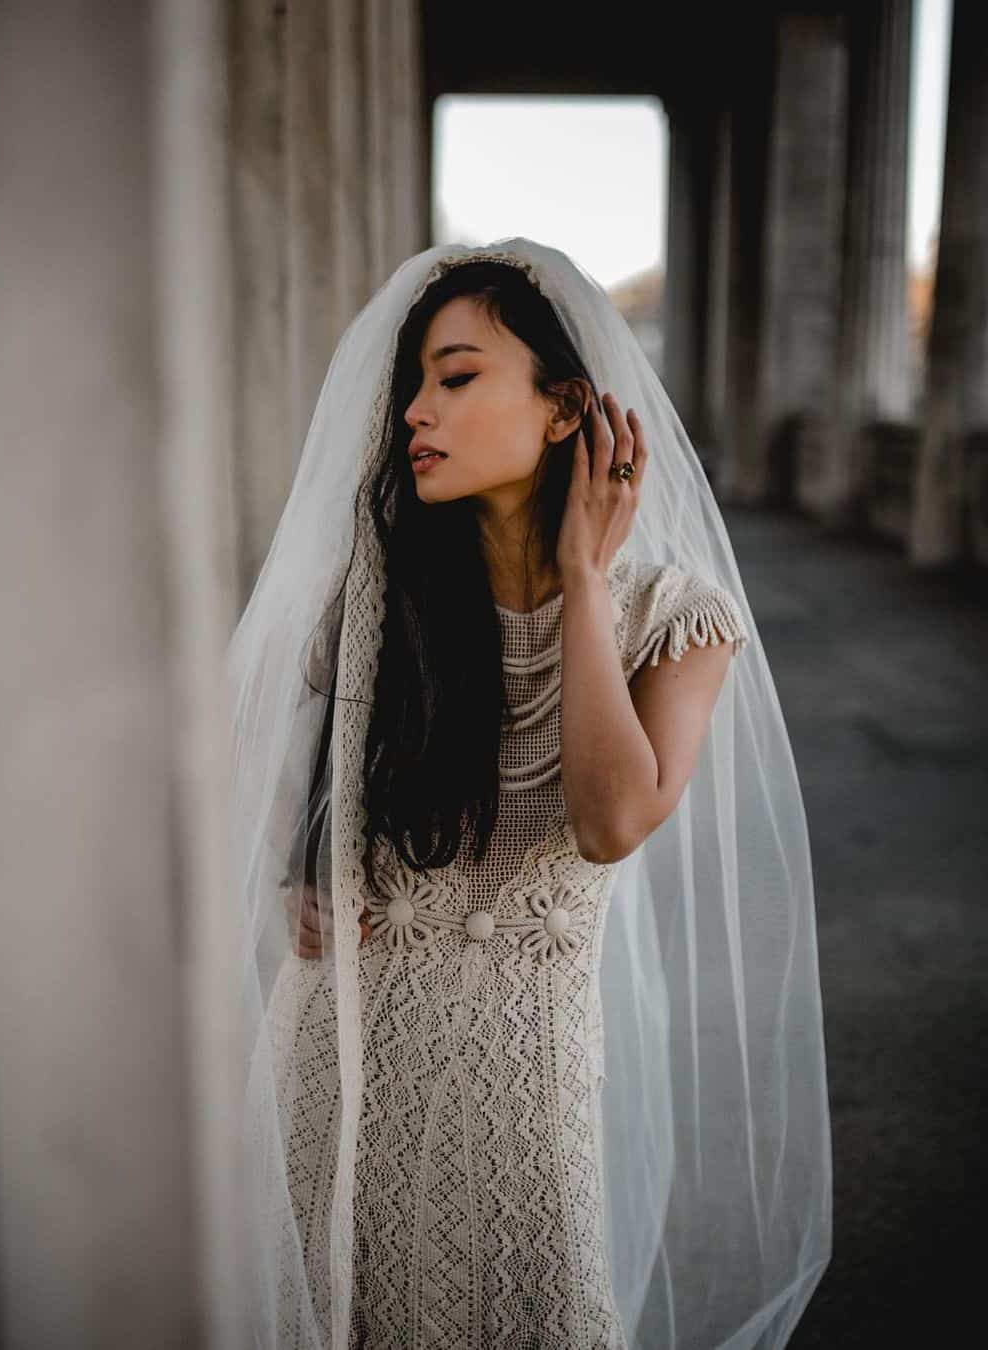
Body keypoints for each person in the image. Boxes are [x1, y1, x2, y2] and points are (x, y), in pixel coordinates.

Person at [227, 238, 832, 1350]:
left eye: (455, 377)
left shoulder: (674, 616)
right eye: (412, 381)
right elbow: (260, 767)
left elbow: (611, 822)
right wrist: (287, 881)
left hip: (521, 1093)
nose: (415, 408)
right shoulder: (372, 601)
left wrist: (586, 581)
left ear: (566, 409)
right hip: (338, 1066)